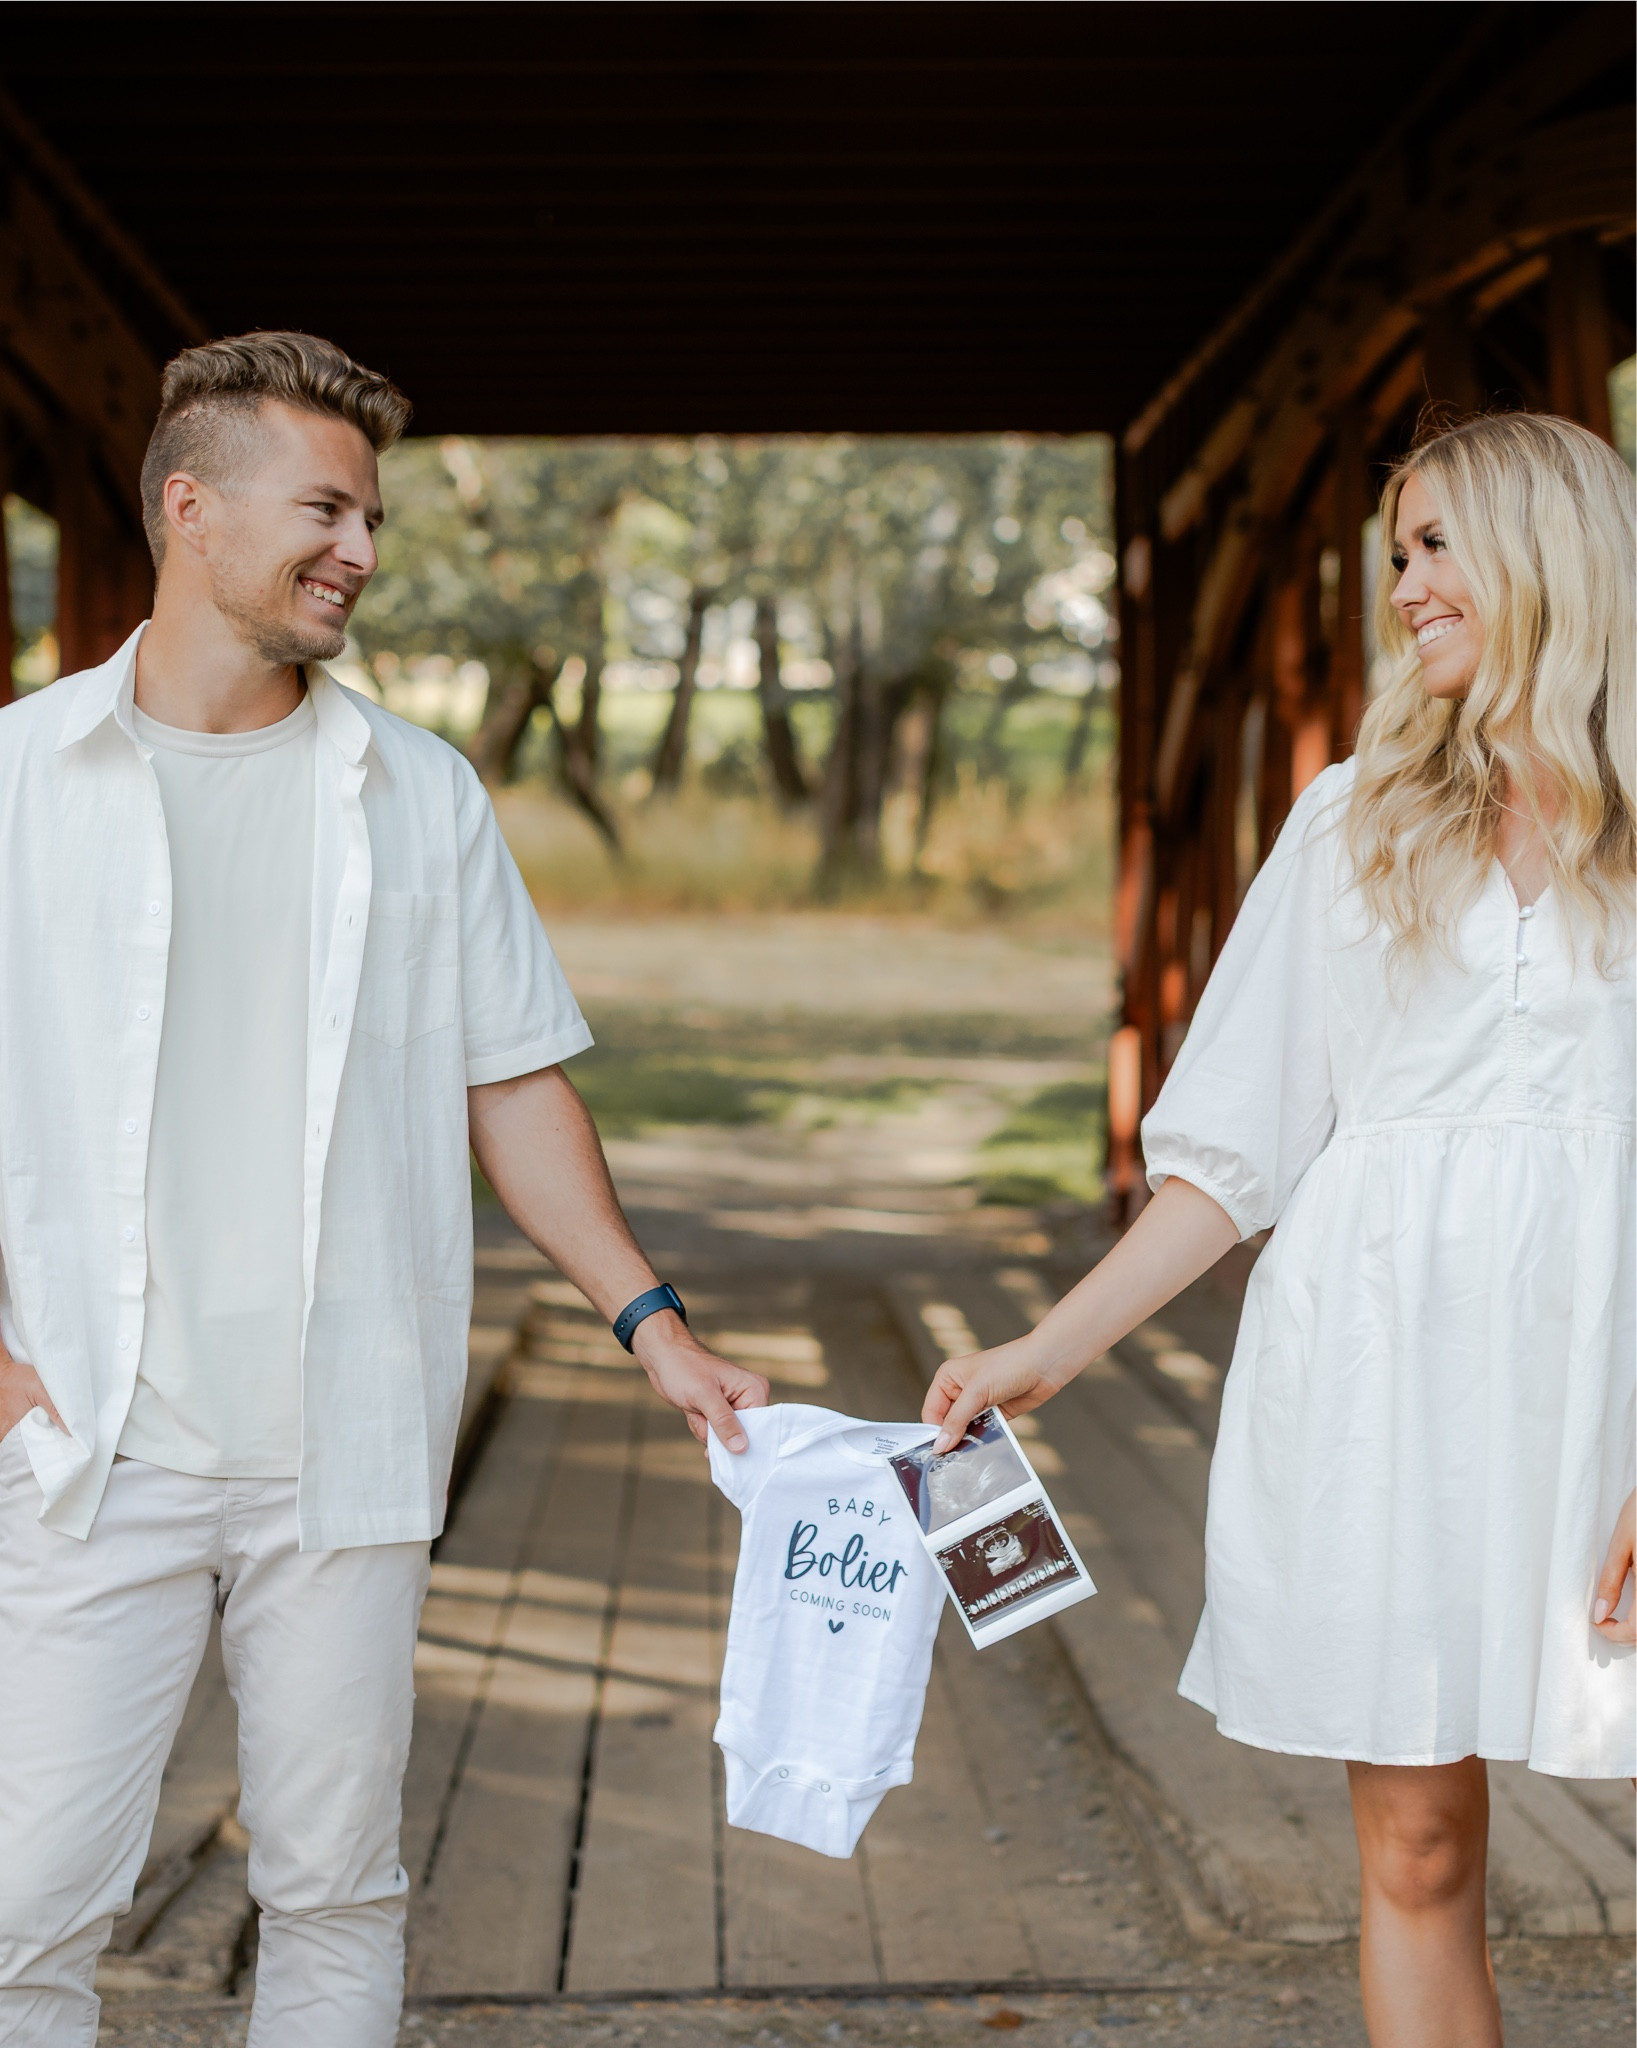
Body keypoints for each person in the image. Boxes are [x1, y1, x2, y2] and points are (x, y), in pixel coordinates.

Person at [0, 331, 769, 2048]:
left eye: (371, 519)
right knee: (21, 1906)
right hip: (82, 1449)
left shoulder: (419, 794)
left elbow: (512, 1081)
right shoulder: (14, 788)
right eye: (324, 511)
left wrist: (654, 1325)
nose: (359, 550)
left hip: (343, 1447)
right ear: (190, 510)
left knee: (337, 1891)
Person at [923, 412, 1635, 2047]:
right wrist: (1045, 1353)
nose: (1405, 586)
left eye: (1436, 545)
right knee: (1415, 1843)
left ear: (1549, 553)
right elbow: (1230, 1156)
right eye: (1395, 555)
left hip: (1607, 1379)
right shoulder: (1347, 822)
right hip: (1379, 1389)